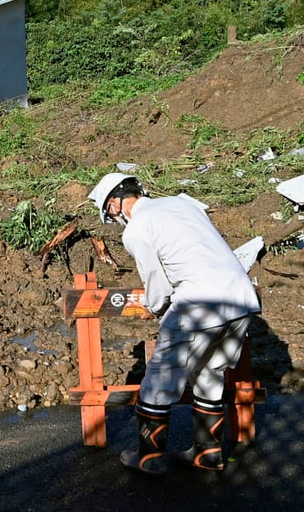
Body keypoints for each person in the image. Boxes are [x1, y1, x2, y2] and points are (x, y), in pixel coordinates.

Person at [87, 173, 262, 475]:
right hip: (240, 299)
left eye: (110, 211)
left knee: (157, 383)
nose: (113, 217)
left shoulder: (136, 229)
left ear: (115, 202)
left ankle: (149, 458)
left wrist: (156, 308)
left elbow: (156, 281)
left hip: (198, 303)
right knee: (210, 375)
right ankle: (208, 454)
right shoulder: (183, 204)